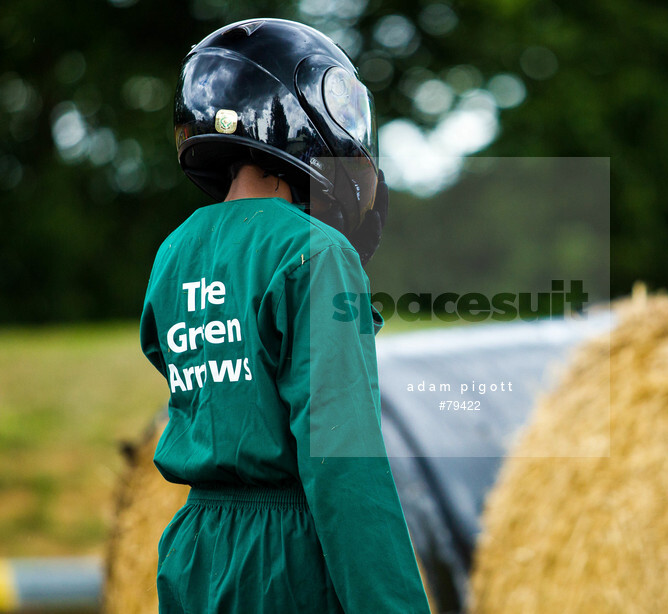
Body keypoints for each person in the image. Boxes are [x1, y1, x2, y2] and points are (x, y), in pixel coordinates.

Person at [139, 18, 431, 613]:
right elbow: (343, 461)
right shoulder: (315, 252)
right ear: (296, 112)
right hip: (289, 560)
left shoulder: (174, 252)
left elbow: (165, 356)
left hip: (195, 553)